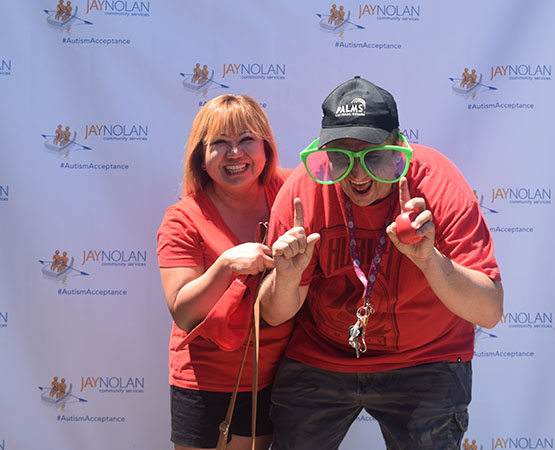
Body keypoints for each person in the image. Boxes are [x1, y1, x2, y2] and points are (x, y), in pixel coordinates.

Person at [259, 76, 503, 450]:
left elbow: (489, 310)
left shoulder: (437, 186)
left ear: (397, 148)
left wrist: (431, 261)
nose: (356, 175)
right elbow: (274, 314)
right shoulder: (303, 193)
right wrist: (287, 280)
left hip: (426, 357)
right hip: (324, 355)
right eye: (340, 158)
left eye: (372, 156)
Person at [157, 94, 294, 450]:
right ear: (201, 157)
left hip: (281, 377)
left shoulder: (292, 191)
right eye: (220, 143)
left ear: (266, 146)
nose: (235, 153)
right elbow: (183, 311)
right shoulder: (183, 218)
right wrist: (226, 265)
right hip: (207, 382)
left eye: (246, 139)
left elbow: (344, 174)